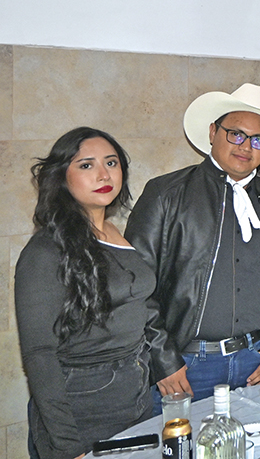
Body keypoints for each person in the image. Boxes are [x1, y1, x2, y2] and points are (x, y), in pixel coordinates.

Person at [125, 83, 260, 405]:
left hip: (259, 361)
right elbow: (135, 286)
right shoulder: (166, 194)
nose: (246, 146)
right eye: (236, 134)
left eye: (257, 139)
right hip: (188, 366)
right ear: (213, 132)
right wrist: (163, 360)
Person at [16, 128, 157, 458]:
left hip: (136, 400)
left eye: (111, 162)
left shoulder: (113, 231)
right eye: (86, 165)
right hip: (83, 412)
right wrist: (68, 446)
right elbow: (39, 354)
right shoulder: (45, 250)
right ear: (61, 176)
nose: (103, 174)